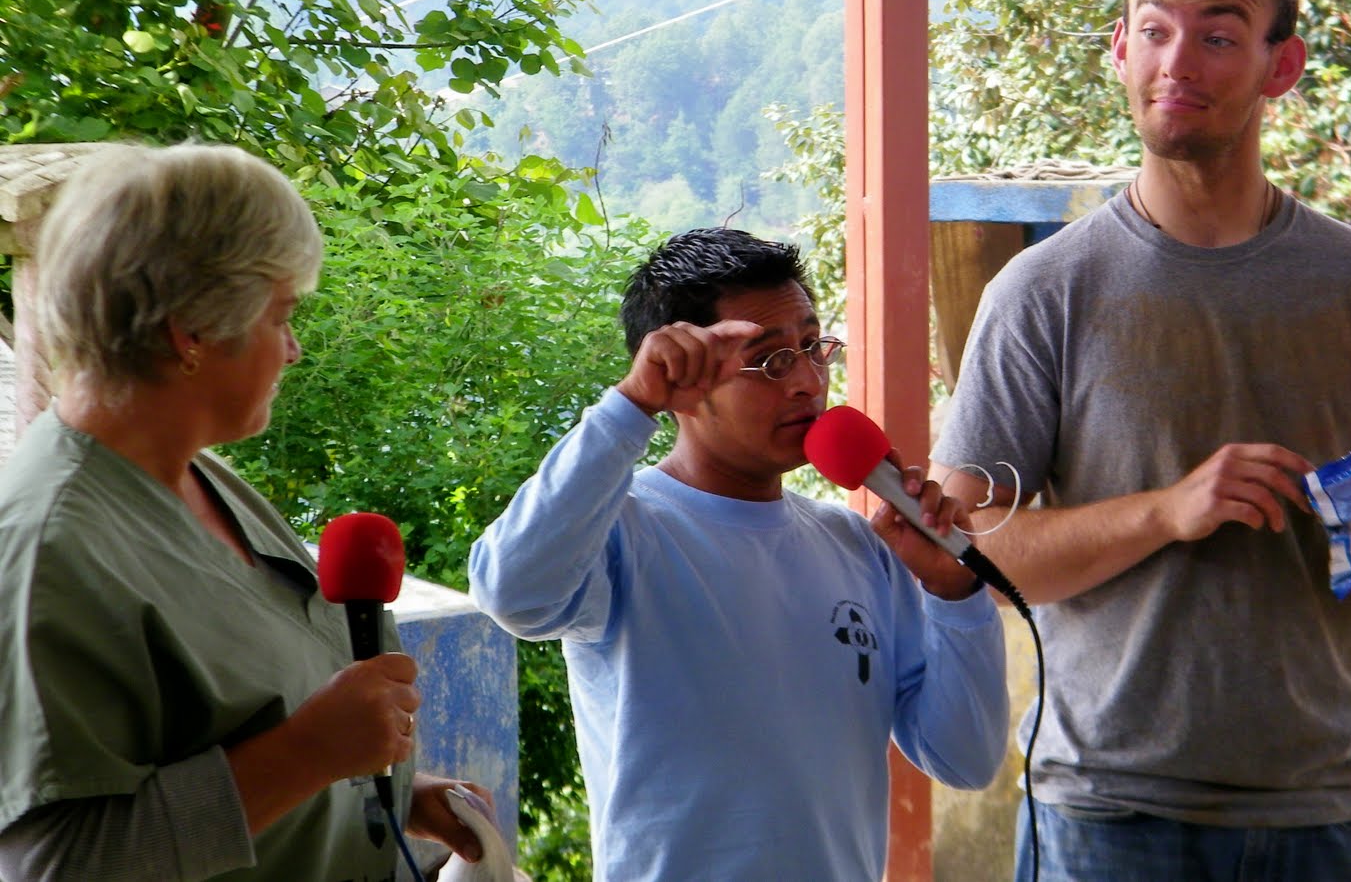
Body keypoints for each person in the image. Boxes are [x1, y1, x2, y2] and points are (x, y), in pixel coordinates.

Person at [931, 0, 1351, 882]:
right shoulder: (1043, 291)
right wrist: (1167, 509)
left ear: (1282, 66)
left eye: (1219, 35)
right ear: (1119, 50)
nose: (1177, 60)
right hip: (1107, 810)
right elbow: (967, 542)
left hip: (1328, 807)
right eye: (1154, 29)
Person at [0, 143, 490, 880]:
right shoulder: (50, 547)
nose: (294, 350)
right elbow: (54, 865)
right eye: (281, 316)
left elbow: (229, 739)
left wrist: (393, 794)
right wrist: (307, 756)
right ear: (192, 330)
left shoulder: (195, 474)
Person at [468, 227, 1009, 881]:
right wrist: (630, 405)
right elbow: (510, 593)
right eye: (771, 360)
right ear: (683, 379)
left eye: (812, 346)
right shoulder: (624, 532)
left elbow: (964, 758)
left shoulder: (856, 545)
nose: (808, 381)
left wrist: (955, 595)